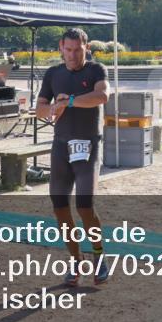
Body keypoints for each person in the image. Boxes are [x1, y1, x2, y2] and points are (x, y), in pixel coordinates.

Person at [35, 28, 111, 286]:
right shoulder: (53, 74)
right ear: (61, 47)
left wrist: (69, 102)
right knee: (59, 206)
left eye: (78, 50)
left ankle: (99, 255)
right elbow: (40, 110)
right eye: (68, 49)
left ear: (86, 48)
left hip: (88, 145)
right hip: (61, 146)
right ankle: (76, 260)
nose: (72, 55)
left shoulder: (96, 70)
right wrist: (53, 107)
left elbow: (102, 96)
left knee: (85, 205)